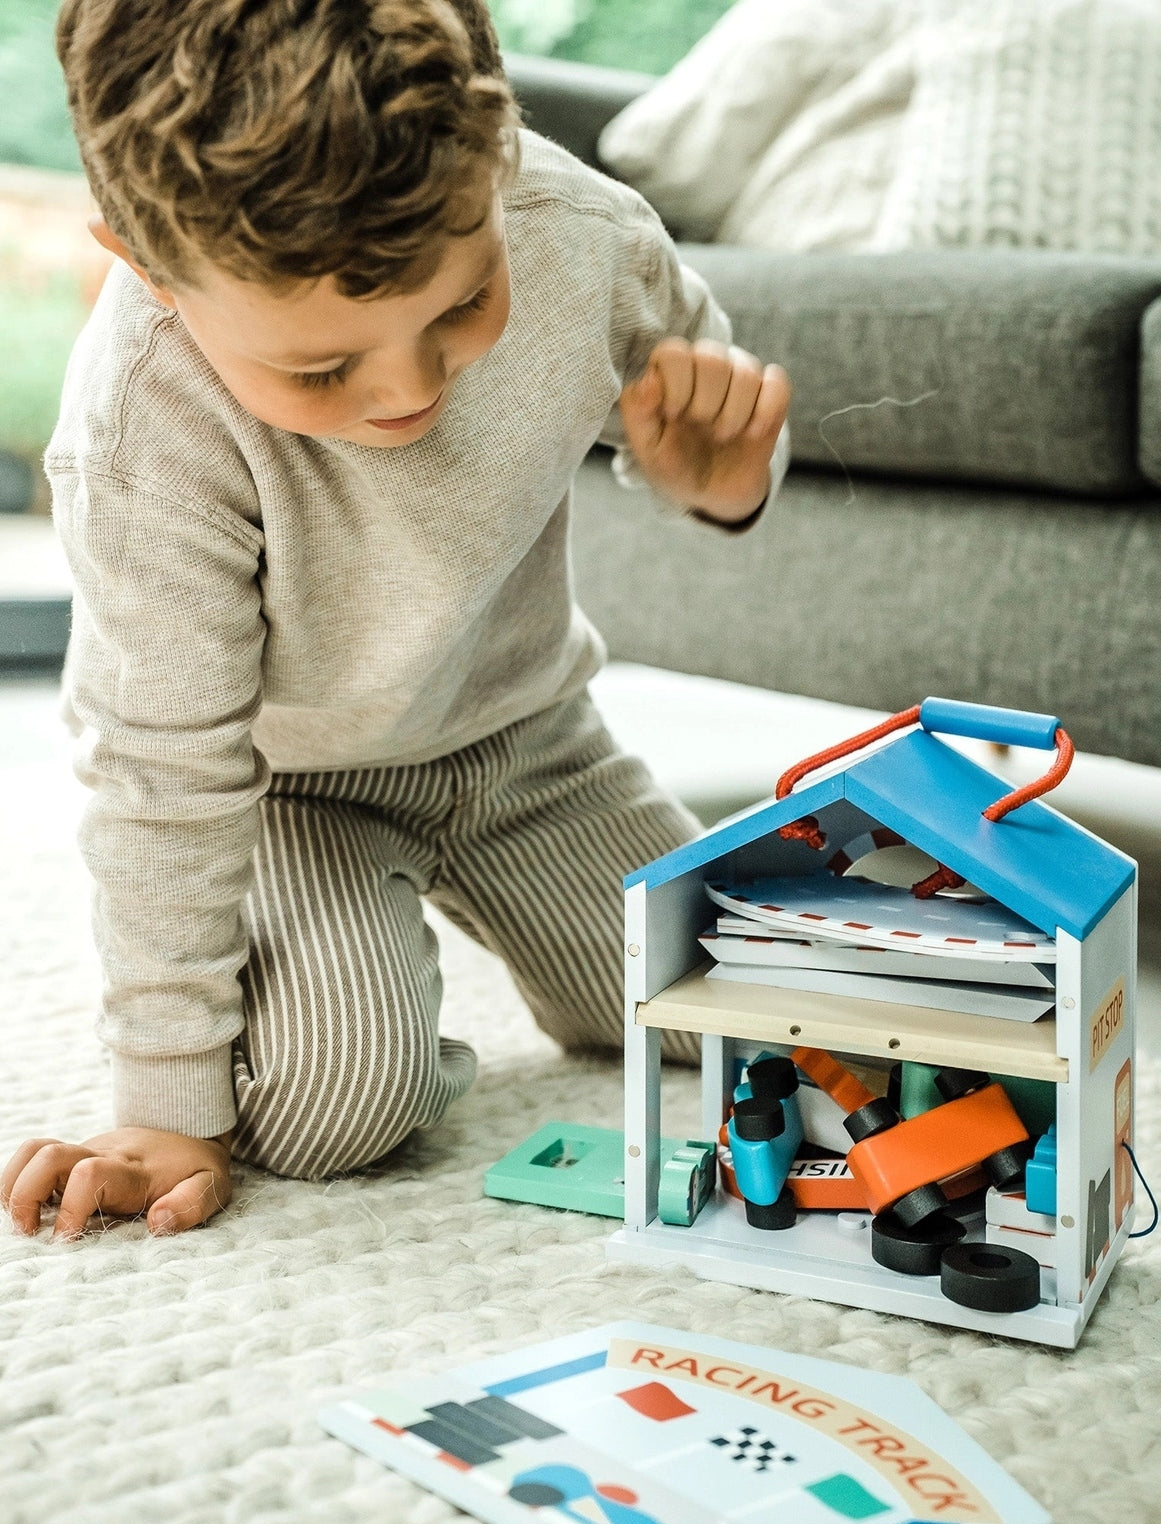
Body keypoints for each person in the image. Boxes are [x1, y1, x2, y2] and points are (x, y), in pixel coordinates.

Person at [1, 0, 791, 1242]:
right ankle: (349, 966)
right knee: (335, 1108)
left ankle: (480, 943)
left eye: (463, 303)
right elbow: (162, 768)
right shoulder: (143, 423)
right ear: (149, 270)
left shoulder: (580, 231)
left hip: (533, 745)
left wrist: (720, 480)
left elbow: (714, 407)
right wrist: (163, 1103)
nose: (409, 389)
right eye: (320, 370)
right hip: (292, 790)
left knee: (744, 1003)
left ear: (501, 154)